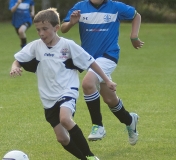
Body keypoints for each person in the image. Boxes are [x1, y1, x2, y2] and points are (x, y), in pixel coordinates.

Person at [10, 8, 117, 160]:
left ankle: (91, 156)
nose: (41, 33)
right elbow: (19, 59)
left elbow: (90, 62)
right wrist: (15, 67)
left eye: (45, 29)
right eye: (38, 30)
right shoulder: (36, 46)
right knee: (62, 138)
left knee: (65, 119)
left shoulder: (68, 45)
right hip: (48, 97)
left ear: (56, 28)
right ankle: (84, 159)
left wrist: (107, 80)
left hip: (67, 90)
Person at [61, 0, 144, 145]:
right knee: (110, 99)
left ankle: (98, 126)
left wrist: (134, 36)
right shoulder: (80, 7)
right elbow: (63, 28)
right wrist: (72, 22)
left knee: (87, 83)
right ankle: (130, 120)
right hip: (90, 59)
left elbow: (136, 15)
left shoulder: (116, 6)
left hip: (109, 55)